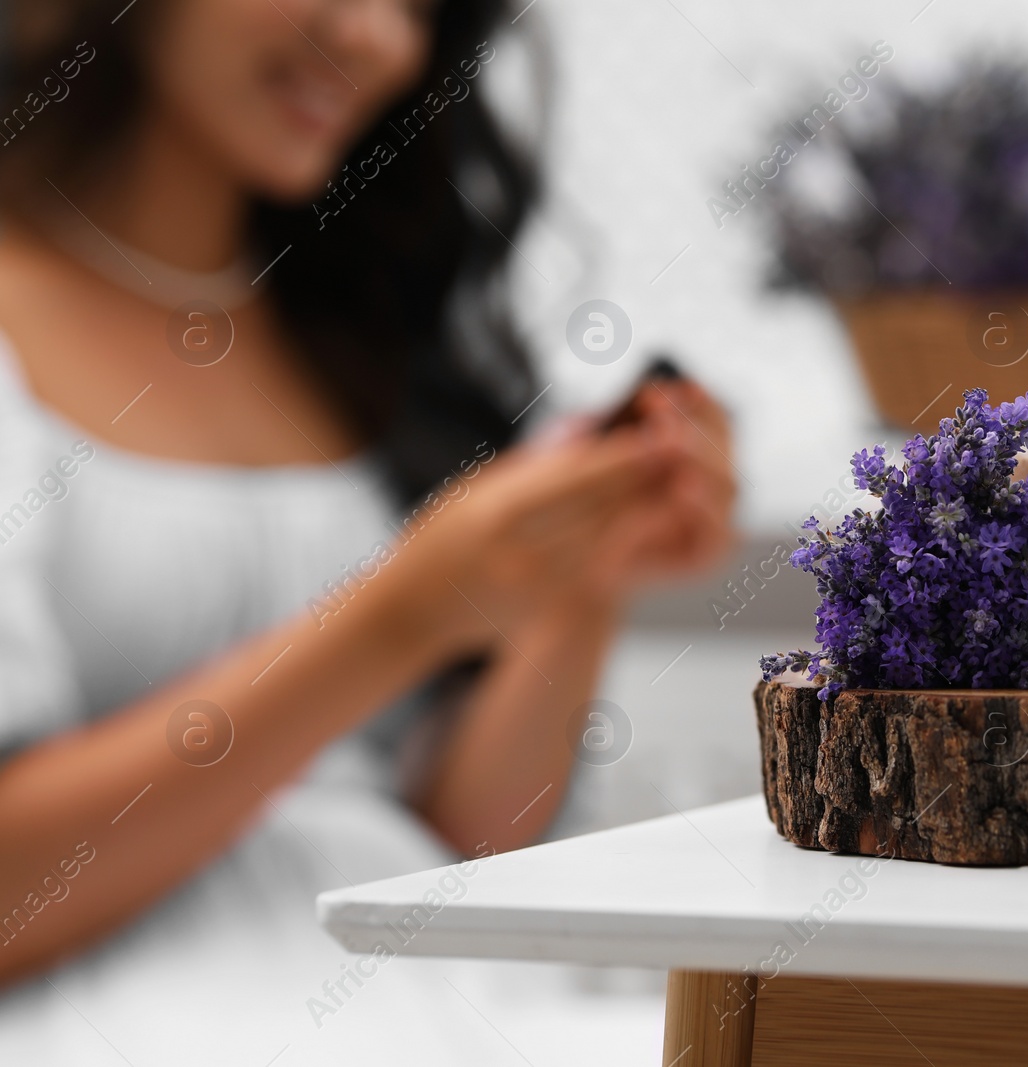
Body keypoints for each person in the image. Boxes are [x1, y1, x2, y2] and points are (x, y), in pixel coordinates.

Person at [0, 0, 733, 1060]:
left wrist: (576, 584)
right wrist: (396, 620)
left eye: (420, 6)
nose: (381, 40)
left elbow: (448, 846)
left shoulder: (349, 326)